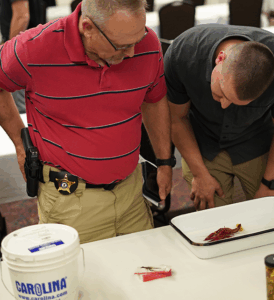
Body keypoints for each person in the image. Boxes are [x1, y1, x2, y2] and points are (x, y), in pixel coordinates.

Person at [0, 0, 173, 243]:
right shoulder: (34, 47)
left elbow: (154, 100)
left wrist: (164, 161)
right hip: (70, 202)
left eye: (137, 39)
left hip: (132, 192)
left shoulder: (145, 43)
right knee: (84, 278)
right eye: (122, 45)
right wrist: (20, 143)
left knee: (142, 270)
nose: (132, 53)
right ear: (87, 27)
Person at [164, 24, 274, 211]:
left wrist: (271, 183)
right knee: (214, 225)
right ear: (220, 58)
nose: (224, 105)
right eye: (221, 93)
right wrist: (199, 175)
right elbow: (176, 119)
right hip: (203, 143)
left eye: (235, 102)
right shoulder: (183, 54)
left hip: (259, 142)